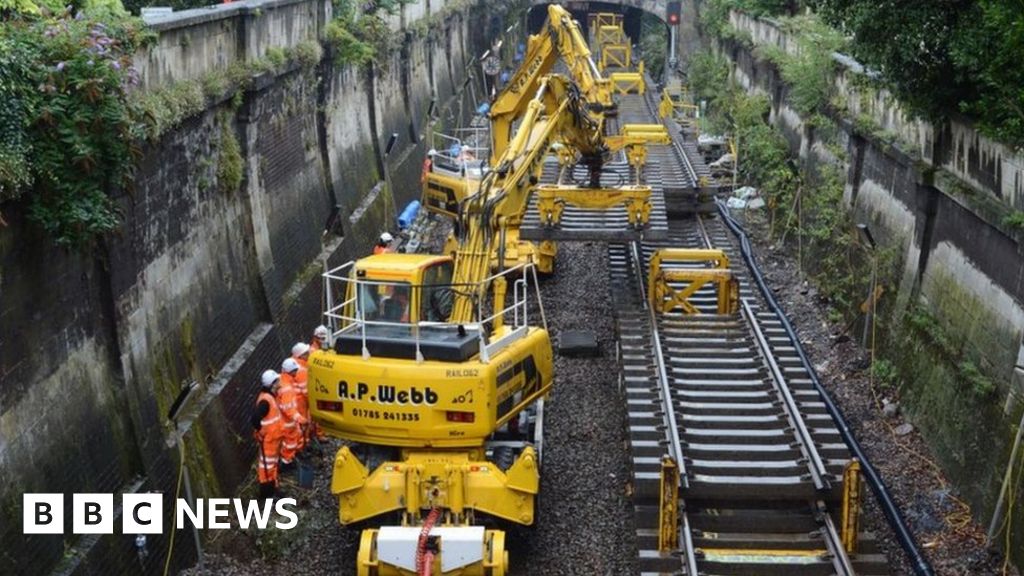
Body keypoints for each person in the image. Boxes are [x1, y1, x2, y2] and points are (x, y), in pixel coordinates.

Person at [252, 370, 284, 500]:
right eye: (277, 381)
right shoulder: (266, 401)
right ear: (272, 384)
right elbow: (254, 418)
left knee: (272, 466)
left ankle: (272, 490)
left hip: (273, 439)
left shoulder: (270, 397)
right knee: (267, 467)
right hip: (269, 440)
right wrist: (260, 431)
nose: (279, 383)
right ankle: (267, 494)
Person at [278, 358, 307, 467]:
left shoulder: (281, 380)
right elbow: (288, 409)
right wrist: (301, 419)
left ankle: (293, 456)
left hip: (284, 420)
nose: (297, 372)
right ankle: (287, 462)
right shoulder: (287, 389)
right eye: (295, 370)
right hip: (288, 422)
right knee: (290, 443)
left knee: (295, 437)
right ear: (291, 372)